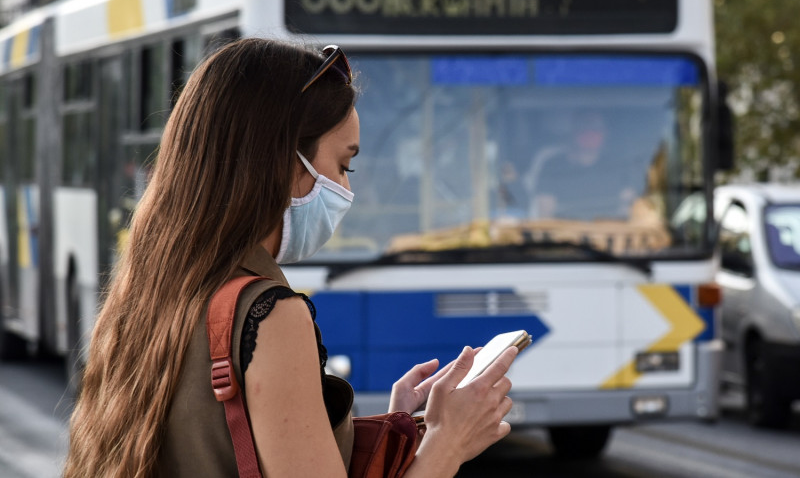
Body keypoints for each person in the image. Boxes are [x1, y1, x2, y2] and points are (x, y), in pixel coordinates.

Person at [63, 38, 518, 478]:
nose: (347, 190)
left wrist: (395, 421)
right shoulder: (270, 316)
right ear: (284, 160)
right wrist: (449, 442)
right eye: (344, 165)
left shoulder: (147, 293)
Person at [526, 109, 637, 221]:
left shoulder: (617, 166)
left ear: (605, 132)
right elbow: (545, 213)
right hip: (564, 235)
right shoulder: (553, 165)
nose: (589, 132)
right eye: (584, 127)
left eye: (595, 129)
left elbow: (627, 207)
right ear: (573, 131)